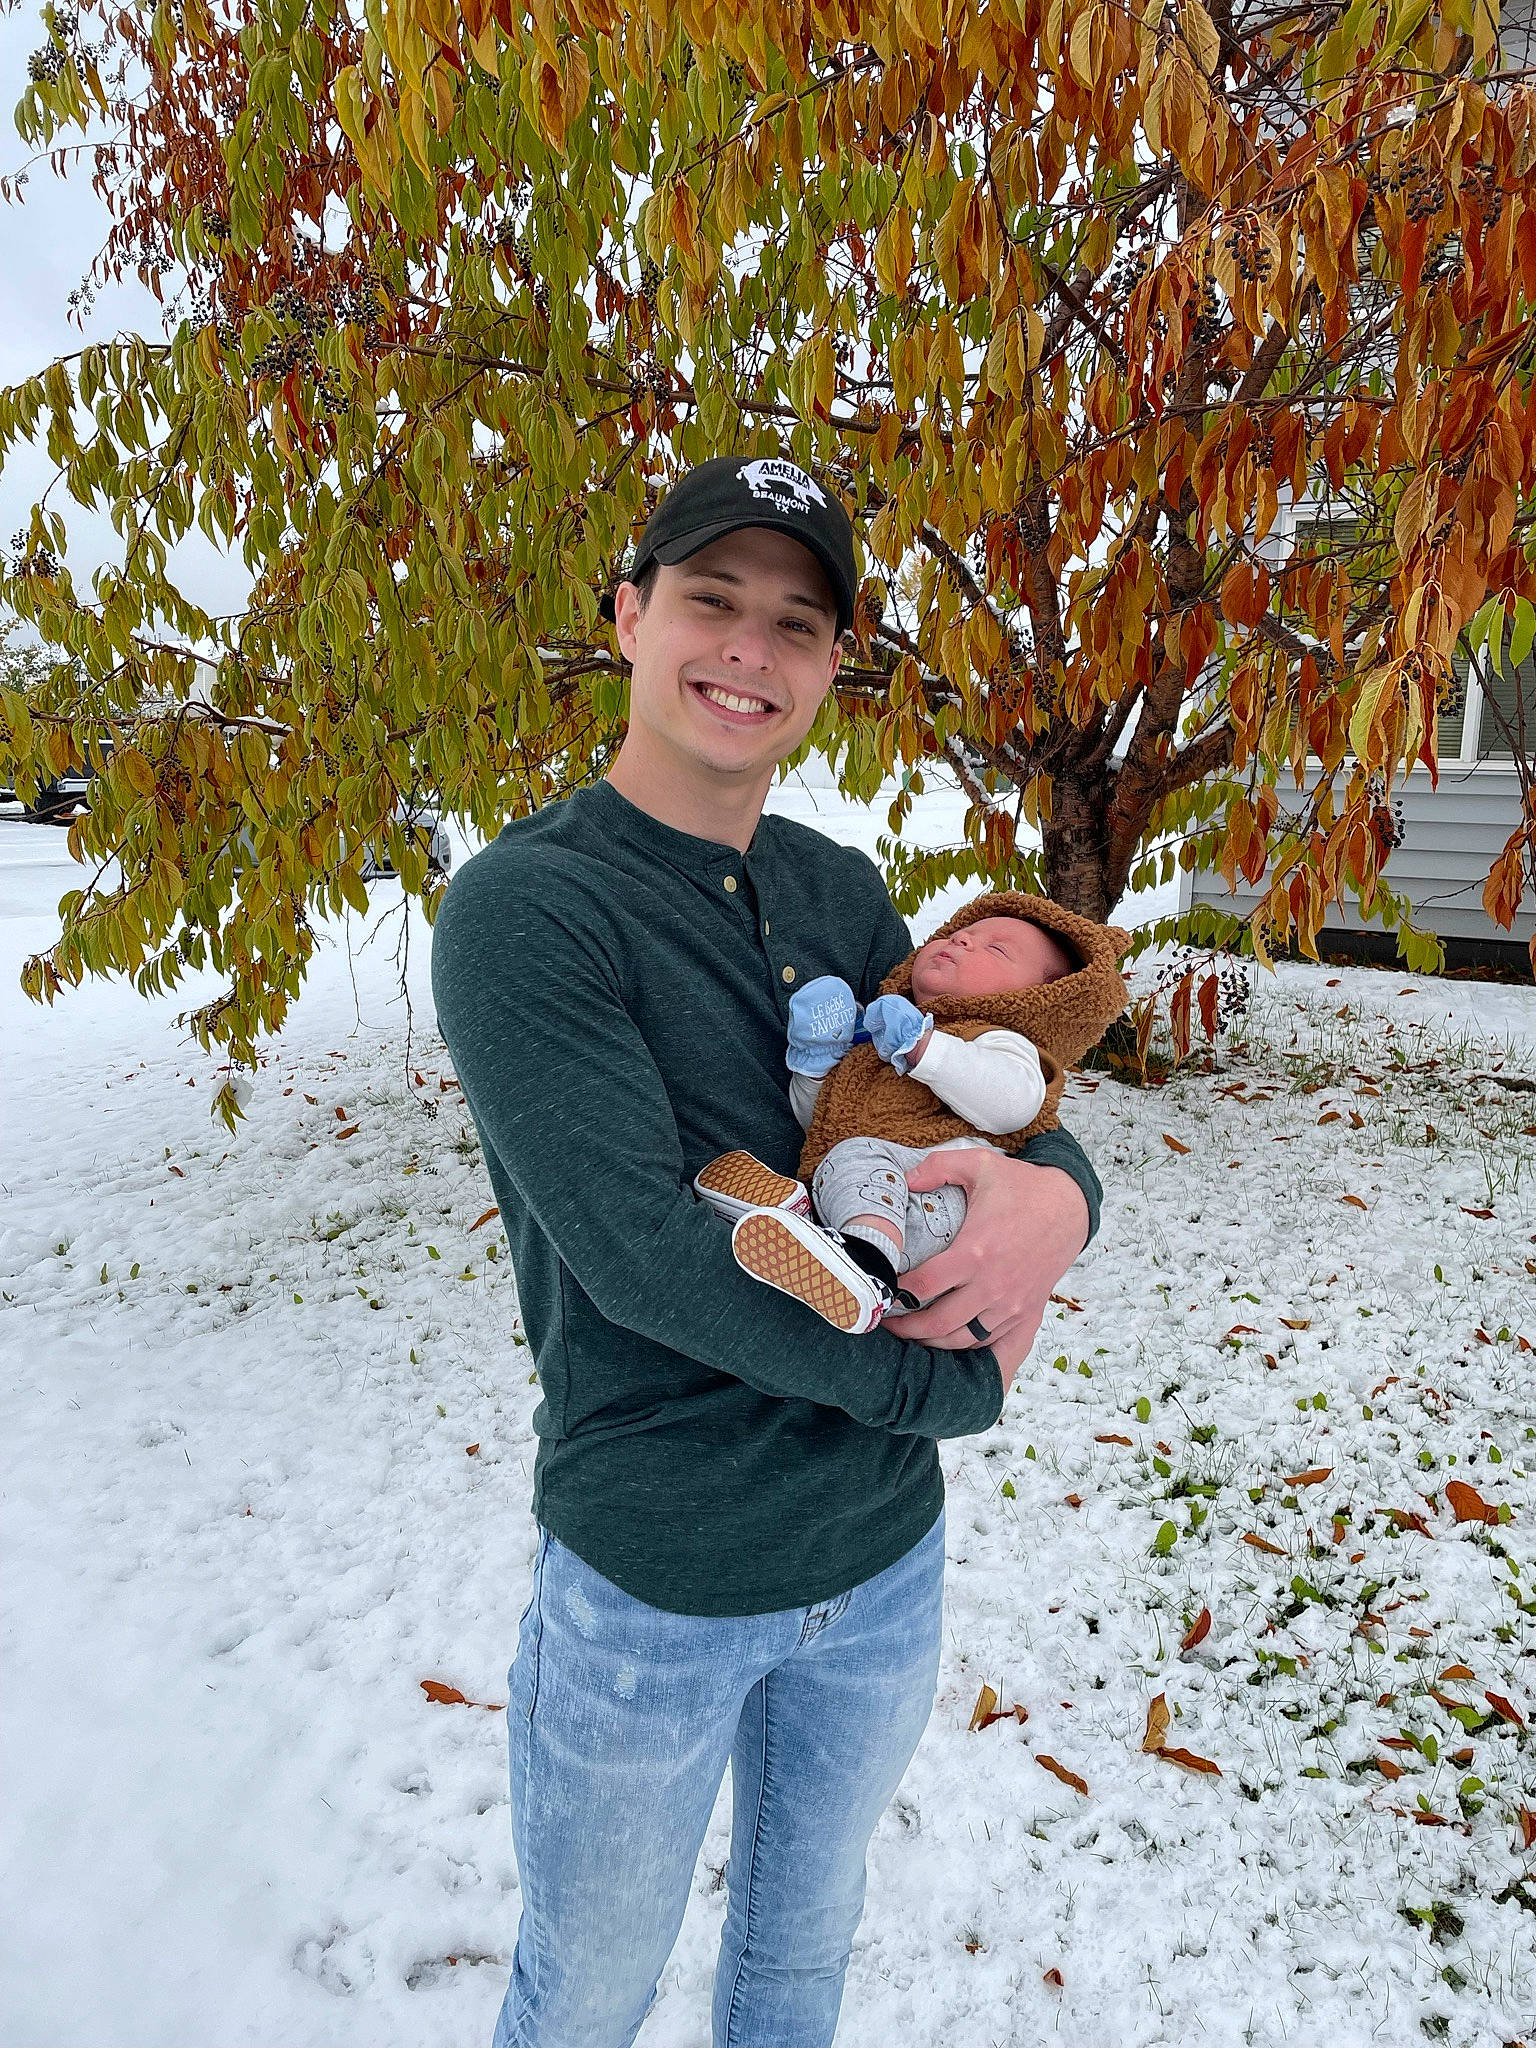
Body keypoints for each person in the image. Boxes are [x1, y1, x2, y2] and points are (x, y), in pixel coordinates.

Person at [430, 452, 1104, 2048]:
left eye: (796, 622)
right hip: (663, 1572)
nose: (750, 649)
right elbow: (642, 1259)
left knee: (799, 1971)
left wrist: (1063, 1202)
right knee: (584, 1994)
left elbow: (990, 1092)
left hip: (878, 1572)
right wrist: (939, 1401)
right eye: (711, 600)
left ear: (830, 666)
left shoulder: (841, 886)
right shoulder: (531, 909)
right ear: (627, 615)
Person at [698, 891, 1129, 1335]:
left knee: (856, 1157)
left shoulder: (1001, 1039)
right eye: (961, 933)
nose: (963, 942)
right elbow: (825, 1121)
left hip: (943, 1206)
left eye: (996, 949)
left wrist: (926, 1050)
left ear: (1039, 999)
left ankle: (864, 1264)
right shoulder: (881, 1039)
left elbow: (1013, 1104)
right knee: (841, 1158)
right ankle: (801, 1226)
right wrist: (817, 1065)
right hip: (878, 1194)